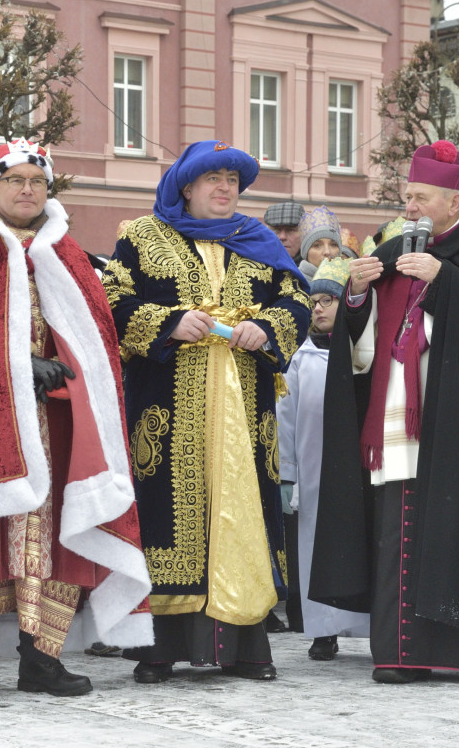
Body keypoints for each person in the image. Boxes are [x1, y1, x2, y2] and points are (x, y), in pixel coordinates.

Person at [0, 138, 153, 702]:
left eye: (37, 182)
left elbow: (97, 339)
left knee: (57, 541)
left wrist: (64, 369)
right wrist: (21, 366)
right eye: (15, 180)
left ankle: (41, 662)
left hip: (60, 422)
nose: (27, 190)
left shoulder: (66, 251)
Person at [311, 140, 459, 684]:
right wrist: (356, 292)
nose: (411, 205)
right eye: (408, 195)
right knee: (401, 533)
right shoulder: (394, 248)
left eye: (421, 196)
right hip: (403, 423)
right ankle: (402, 653)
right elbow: (362, 339)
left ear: (454, 198)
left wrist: (446, 280)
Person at [103, 140, 311, 684]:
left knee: (246, 509)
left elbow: (297, 300)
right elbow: (112, 300)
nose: (226, 188)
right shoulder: (141, 237)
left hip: (245, 406)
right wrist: (167, 321)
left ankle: (246, 645)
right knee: (167, 514)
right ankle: (158, 649)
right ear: (186, 187)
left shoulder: (258, 240)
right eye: (213, 179)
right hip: (169, 409)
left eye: (233, 180)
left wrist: (265, 328)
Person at [277, 257, 370, 661]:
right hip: (313, 476)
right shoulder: (301, 358)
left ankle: (370, 625)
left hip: (357, 471)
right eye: (313, 301)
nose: (318, 308)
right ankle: (323, 630)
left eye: (327, 301)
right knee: (314, 548)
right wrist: (288, 474)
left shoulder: (363, 357)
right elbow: (287, 418)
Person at [297, 205, 342, 280]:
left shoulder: (348, 285)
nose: (327, 252)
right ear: (306, 252)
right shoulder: (292, 284)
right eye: (317, 245)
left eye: (333, 245)